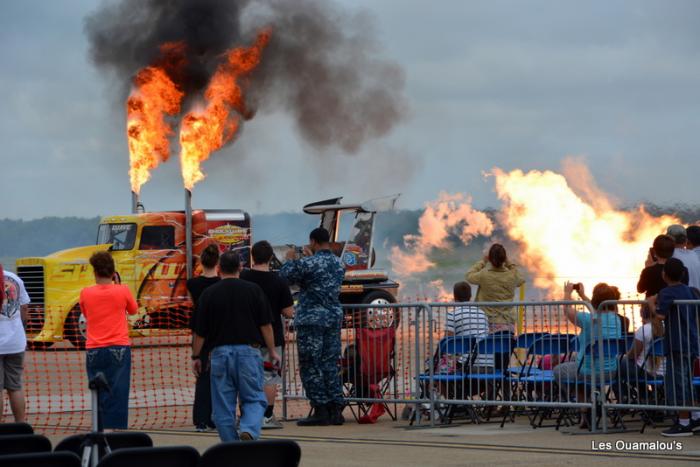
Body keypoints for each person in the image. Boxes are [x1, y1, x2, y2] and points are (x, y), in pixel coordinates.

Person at [192, 251, 279, 442]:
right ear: (240, 268)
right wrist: (272, 350)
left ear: (219, 268)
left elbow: (200, 332)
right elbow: (266, 325)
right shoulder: (254, 290)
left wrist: (196, 357)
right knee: (255, 398)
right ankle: (248, 428)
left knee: (222, 405)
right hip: (249, 351)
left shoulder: (209, 294)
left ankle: (230, 447)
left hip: (219, 354)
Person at [279, 227, 346, 426]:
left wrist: (291, 258)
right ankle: (336, 408)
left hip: (312, 320)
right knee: (330, 363)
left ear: (313, 241)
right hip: (333, 318)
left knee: (310, 364)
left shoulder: (308, 263)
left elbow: (284, 276)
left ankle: (320, 408)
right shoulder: (339, 264)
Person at [79, 252, 138, 429]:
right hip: (119, 347)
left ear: (95, 272)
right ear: (113, 272)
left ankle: (100, 429)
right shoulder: (123, 290)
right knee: (118, 393)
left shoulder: (85, 293)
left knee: (98, 392)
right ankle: (117, 431)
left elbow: (87, 314)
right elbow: (134, 310)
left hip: (94, 348)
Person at [240, 241, 294, 429]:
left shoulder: (243, 277)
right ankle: (267, 416)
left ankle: (246, 415)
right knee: (270, 377)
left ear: (252, 256)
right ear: (271, 257)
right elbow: (288, 312)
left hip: (245, 335)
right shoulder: (278, 281)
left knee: (246, 377)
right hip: (272, 338)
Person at [556, 282, 622, 429]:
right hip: (611, 371)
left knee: (560, 371)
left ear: (595, 301)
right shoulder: (616, 320)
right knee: (578, 368)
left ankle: (584, 410)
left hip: (587, 371)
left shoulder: (588, 320)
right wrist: (583, 296)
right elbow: (595, 309)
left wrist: (567, 293)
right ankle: (595, 402)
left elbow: (568, 310)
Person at [648, 257, 700, 437]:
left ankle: (684, 423)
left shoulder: (668, 292)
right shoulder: (691, 291)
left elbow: (660, 316)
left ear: (665, 274)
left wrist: (651, 305)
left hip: (677, 343)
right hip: (691, 342)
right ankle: (695, 415)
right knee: (687, 380)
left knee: (679, 383)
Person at [186, 244, 220, 432]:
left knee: (202, 377)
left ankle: (200, 418)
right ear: (217, 262)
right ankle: (216, 416)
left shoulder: (192, 284)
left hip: (200, 330)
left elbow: (195, 305)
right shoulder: (221, 283)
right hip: (218, 331)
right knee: (220, 378)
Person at [465, 244, 525, 333]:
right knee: (506, 346)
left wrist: (483, 261)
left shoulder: (484, 274)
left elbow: (469, 276)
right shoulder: (512, 275)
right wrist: (509, 263)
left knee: (488, 346)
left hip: (488, 321)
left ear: (490, 258)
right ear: (504, 258)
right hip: (508, 322)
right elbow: (521, 279)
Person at [616, 304, 665, 403]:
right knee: (632, 369)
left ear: (642, 313)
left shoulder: (644, 330)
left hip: (647, 372)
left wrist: (626, 354)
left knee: (615, 363)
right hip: (665, 372)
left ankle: (626, 397)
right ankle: (646, 397)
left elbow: (632, 355)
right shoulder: (666, 327)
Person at [0, 267, 30, 423]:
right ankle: (21, 425)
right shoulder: (15, 279)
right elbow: (24, 307)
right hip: (16, 342)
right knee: (15, 387)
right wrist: (21, 328)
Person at [667, 224, 700, 290]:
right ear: (685, 241)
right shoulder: (694, 254)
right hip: (696, 297)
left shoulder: (671, 256)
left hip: (682, 297)